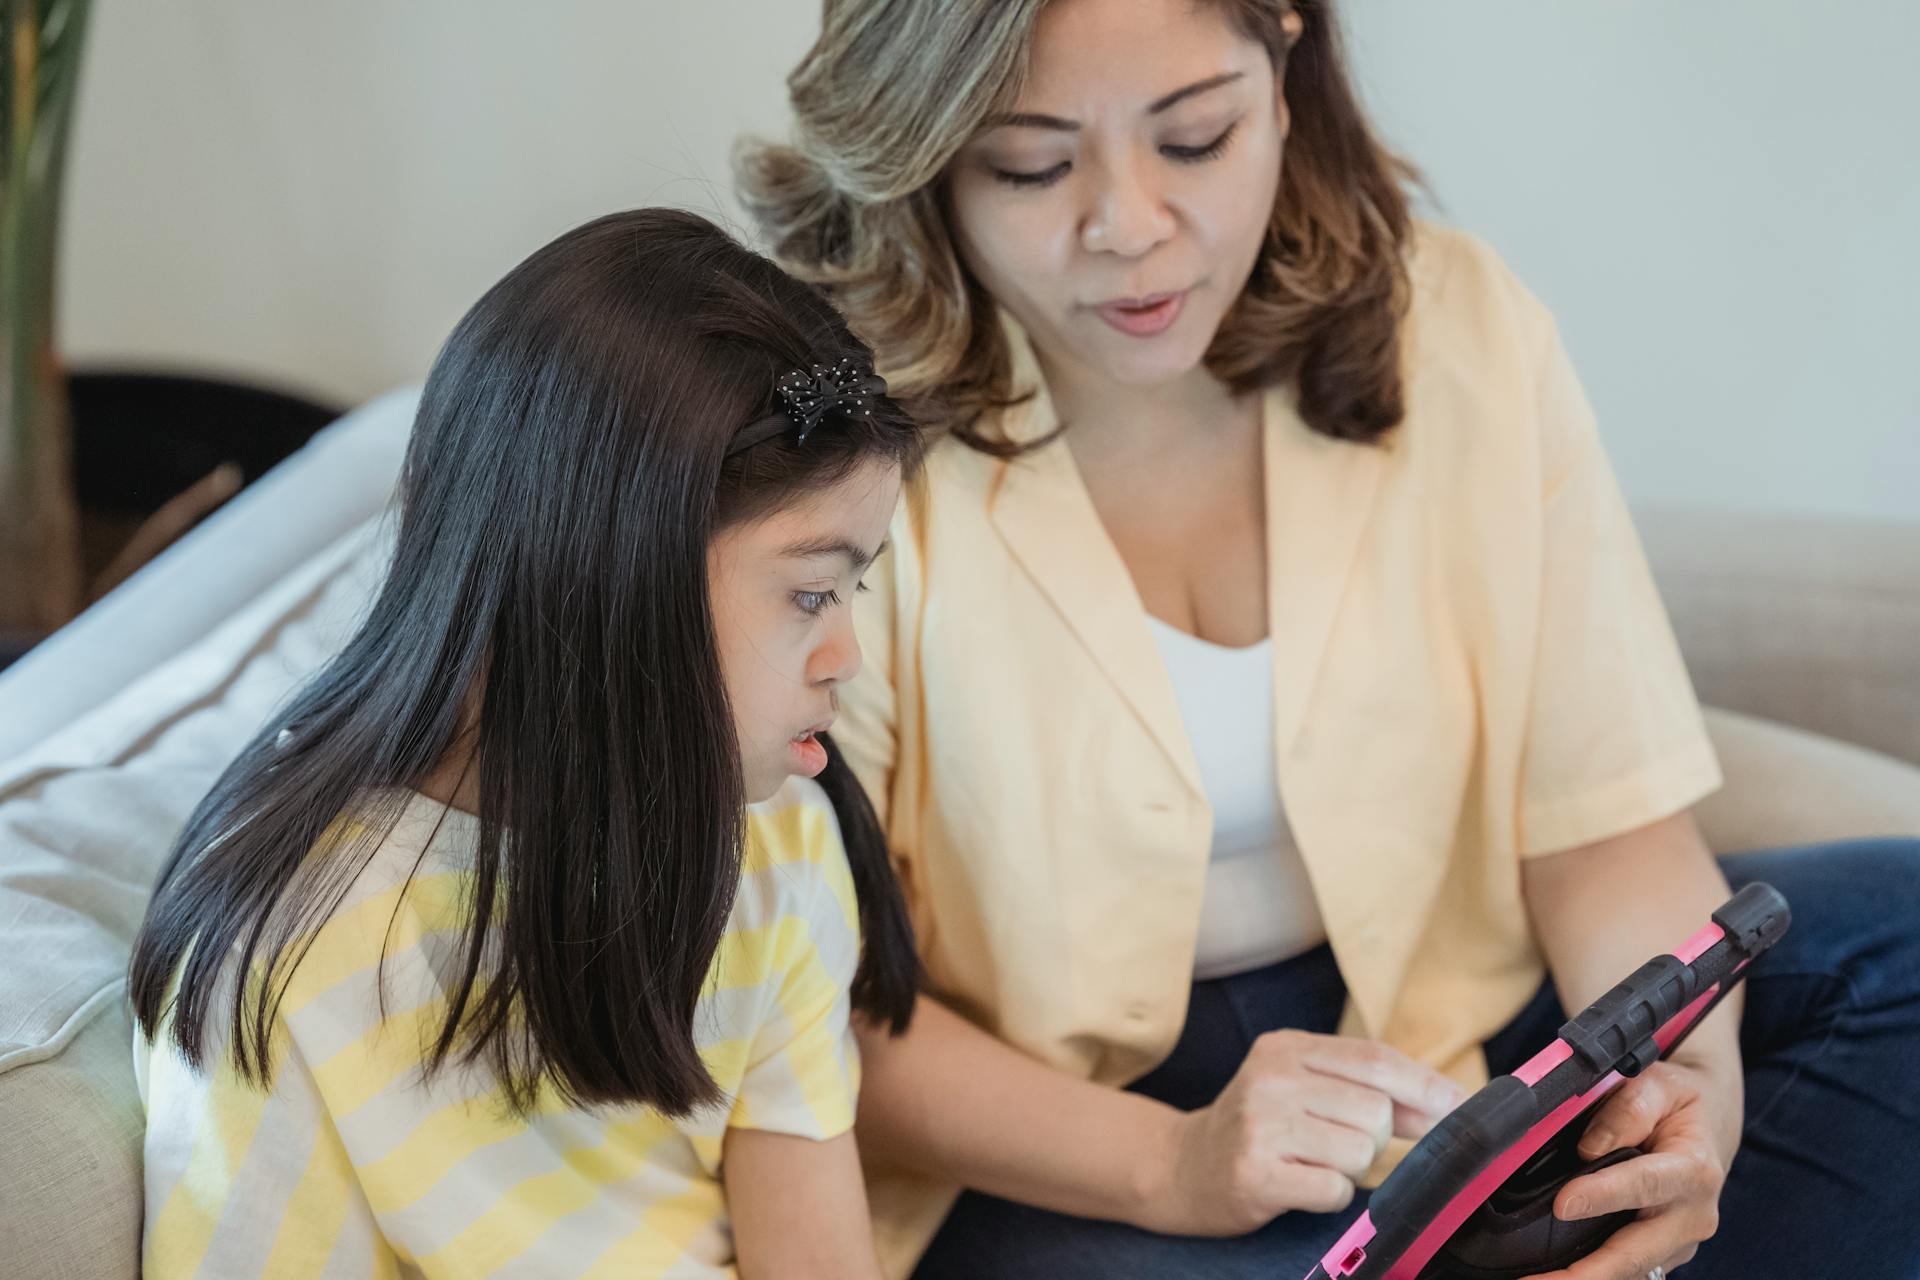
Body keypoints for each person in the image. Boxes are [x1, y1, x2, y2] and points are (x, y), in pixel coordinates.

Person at [737, 2, 1920, 1276]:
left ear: (1288, 67)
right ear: (921, 152)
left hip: (1448, 1044)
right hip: (1063, 1144)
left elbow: (1602, 825)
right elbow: (818, 1007)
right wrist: (1174, 1164)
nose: (1130, 224)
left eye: (1196, 138)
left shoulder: (1457, 323)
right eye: (1029, 164)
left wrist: (1685, 1094)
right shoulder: (830, 447)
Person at [129, 208, 924, 1279]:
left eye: (852, 586)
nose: (846, 655)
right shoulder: (285, 969)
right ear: (602, 574)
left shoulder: (773, 837)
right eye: (811, 591)